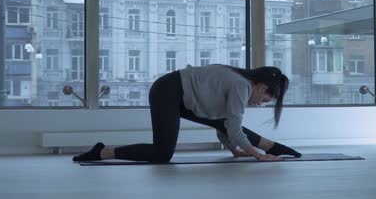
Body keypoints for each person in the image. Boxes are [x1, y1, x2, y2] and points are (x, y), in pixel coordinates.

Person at [73, 64, 301, 163]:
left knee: (229, 124)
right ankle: (102, 152)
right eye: (264, 99)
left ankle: (272, 146)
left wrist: (235, 150)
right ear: (261, 86)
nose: (260, 104)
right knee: (162, 153)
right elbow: (232, 127)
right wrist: (257, 155)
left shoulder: (239, 82)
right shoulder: (242, 86)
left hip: (181, 97)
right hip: (168, 91)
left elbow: (222, 125)